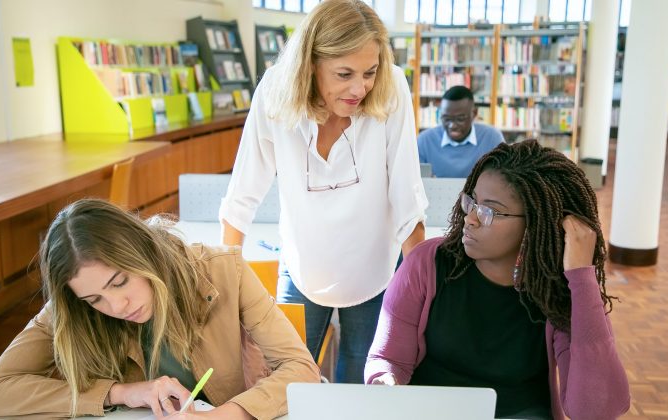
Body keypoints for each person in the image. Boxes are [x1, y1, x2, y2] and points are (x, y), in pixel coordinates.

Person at [218, 0, 427, 384]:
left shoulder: (391, 85)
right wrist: (226, 281)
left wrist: (422, 295)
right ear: (309, 64)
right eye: (344, 73)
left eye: (369, 72)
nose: (360, 87)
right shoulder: (274, 92)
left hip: (374, 270)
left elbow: (406, 195)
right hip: (302, 267)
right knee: (287, 383)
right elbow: (243, 190)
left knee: (360, 388)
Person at [365, 140, 630, 420]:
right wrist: (385, 381)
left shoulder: (558, 290)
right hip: (431, 411)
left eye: (489, 211)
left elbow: (596, 411)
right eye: (472, 202)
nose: (470, 219)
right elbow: (388, 359)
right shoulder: (426, 264)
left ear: (537, 222)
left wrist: (581, 277)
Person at [0, 199, 320, 419]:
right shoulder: (73, 304)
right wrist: (123, 392)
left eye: (119, 282)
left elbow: (301, 369)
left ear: (143, 252)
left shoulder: (223, 270)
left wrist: (225, 415)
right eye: (94, 300)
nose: (116, 306)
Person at [418, 85, 504, 178]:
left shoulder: (492, 138)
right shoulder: (424, 140)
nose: (452, 125)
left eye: (460, 119)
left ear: (474, 113)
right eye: (446, 118)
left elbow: (505, 177)